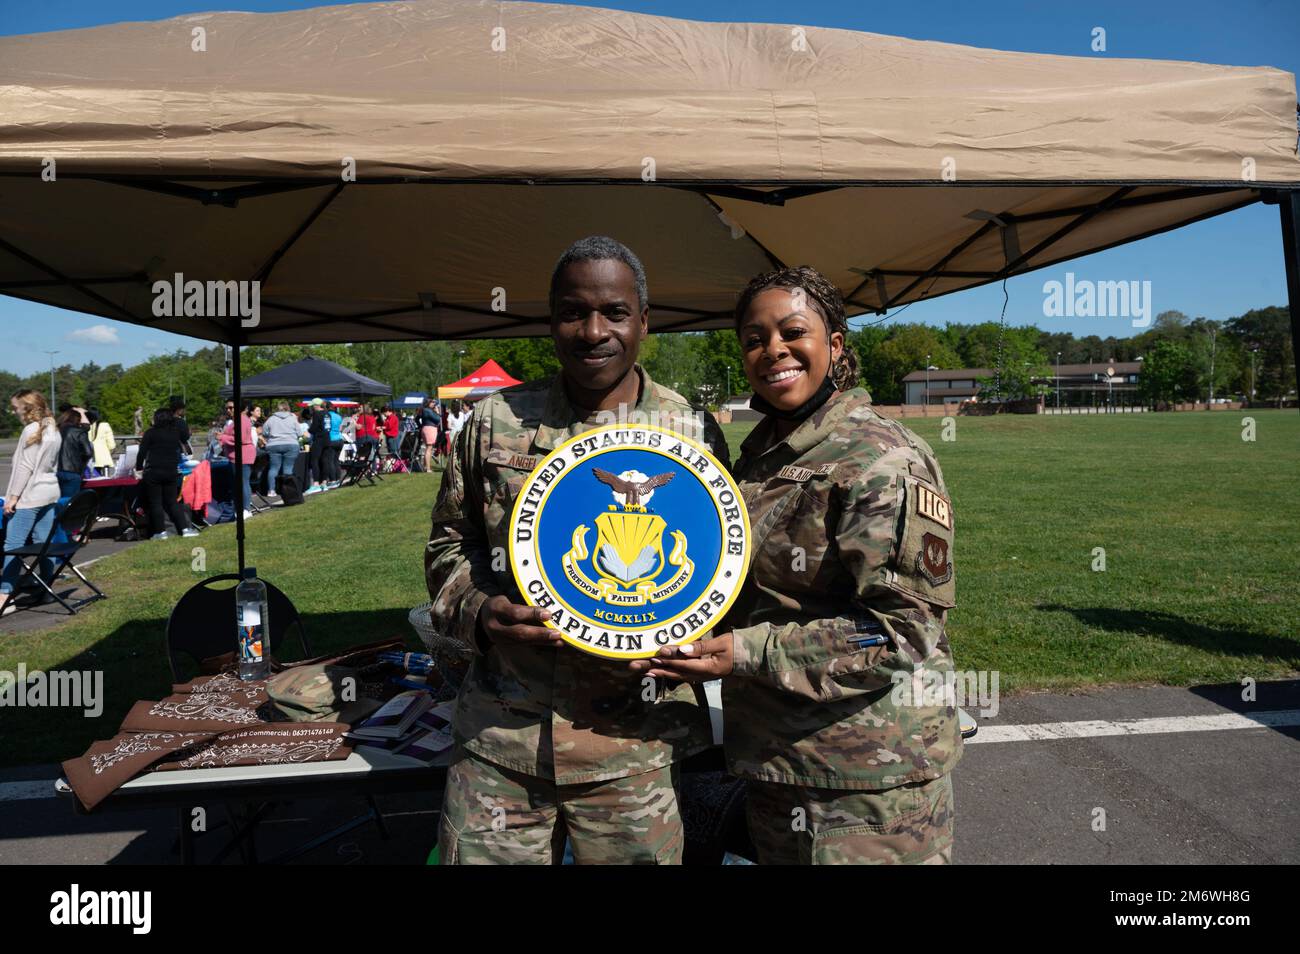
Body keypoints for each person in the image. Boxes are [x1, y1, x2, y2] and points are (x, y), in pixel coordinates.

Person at [633, 266, 962, 865]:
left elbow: (904, 635)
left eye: (793, 331)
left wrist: (742, 652)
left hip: (867, 792)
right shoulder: (765, 452)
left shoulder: (880, 459)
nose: (773, 350)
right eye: (754, 339)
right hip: (783, 771)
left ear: (834, 345)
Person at [426, 235, 729, 865]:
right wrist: (481, 612)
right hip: (500, 745)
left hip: (634, 750)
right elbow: (448, 547)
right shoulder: (494, 420)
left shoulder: (692, 434)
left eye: (614, 312)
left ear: (644, 321)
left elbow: (722, 568)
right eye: (572, 311)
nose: (593, 331)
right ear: (551, 319)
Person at [2, 390, 62, 615]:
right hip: (48, 491)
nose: (14, 410)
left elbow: (24, 467)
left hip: (29, 496)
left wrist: (13, 497)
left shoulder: (31, 430)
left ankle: (5, 594)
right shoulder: (52, 428)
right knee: (43, 543)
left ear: (26, 407)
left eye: (16, 406)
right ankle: (47, 586)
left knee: (13, 545)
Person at [136, 407, 199, 540]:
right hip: (171, 471)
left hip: (153, 471)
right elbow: (184, 440)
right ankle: (185, 529)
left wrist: (138, 468)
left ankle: (161, 532)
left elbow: (142, 452)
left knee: (156, 503)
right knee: (172, 502)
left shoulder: (150, 433)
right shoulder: (174, 433)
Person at [218, 400, 256, 518]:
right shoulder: (239, 419)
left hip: (242, 456)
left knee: (242, 483)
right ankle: (243, 508)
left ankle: (246, 509)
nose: (228, 410)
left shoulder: (241, 420)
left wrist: (223, 437)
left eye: (231, 407)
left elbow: (241, 439)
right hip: (236, 456)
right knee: (240, 483)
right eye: (227, 408)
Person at [263, 401, 301, 497]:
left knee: (274, 468)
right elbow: (300, 433)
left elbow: (264, 433)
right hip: (291, 444)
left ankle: (271, 490)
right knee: (288, 468)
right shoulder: (293, 418)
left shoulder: (271, 419)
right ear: (288, 408)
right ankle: (287, 490)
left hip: (274, 445)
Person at [55, 406, 94, 500]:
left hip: (56, 471)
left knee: (57, 500)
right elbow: (88, 452)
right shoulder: (79, 431)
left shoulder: (56, 430)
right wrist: (82, 413)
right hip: (73, 471)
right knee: (69, 502)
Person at [306, 398, 330, 494]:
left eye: (312, 406)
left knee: (314, 461)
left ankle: (316, 484)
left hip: (319, 439)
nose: (312, 408)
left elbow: (313, 428)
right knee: (325, 461)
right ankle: (324, 483)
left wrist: (309, 430)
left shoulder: (317, 414)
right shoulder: (327, 413)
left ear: (316, 405)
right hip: (327, 439)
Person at [87, 408, 116, 476]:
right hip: (103, 458)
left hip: (89, 459)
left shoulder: (85, 426)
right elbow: (112, 445)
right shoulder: (105, 425)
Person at [419, 397, 441, 473]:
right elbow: (438, 419)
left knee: (428, 448)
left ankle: (425, 467)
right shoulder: (428, 410)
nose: (434, 404)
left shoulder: (424, 410)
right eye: (432, 402)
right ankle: (428, 468)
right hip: (430, 429)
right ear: (428, 403)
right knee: (429, 449)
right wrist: (437, 412)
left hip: (426, 428)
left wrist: (420, 426)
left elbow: (416, 419)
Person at [326, 401, 344, 488]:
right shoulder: (338, 416)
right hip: (339, 439)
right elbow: (340, 428)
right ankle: (337, 479)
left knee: (330, 461)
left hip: (331, 439)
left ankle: (332, 480)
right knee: (336, 460)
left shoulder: (326, 416)